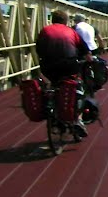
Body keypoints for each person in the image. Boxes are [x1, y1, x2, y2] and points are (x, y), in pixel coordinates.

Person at [36, 9, 93, 137]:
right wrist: (88, 58)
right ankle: (78, 120)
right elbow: (84, 50)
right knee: (78, 88)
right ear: (66, 21)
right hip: (69, 66)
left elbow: (39, 49)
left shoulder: (45, 31)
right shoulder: (71, 31)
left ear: (52, 20)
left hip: (48, 66)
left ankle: (52, 111)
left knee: (51, 84)